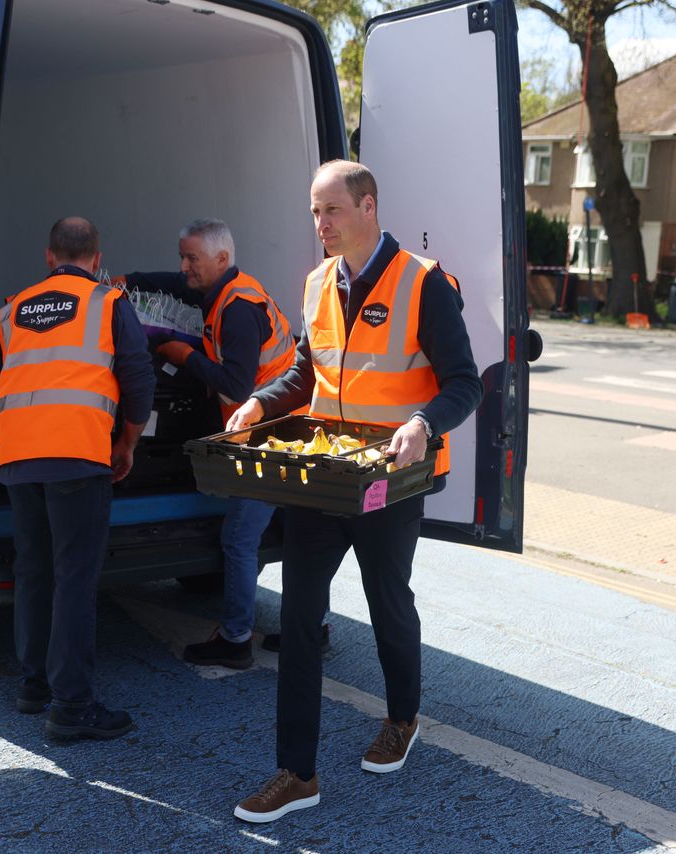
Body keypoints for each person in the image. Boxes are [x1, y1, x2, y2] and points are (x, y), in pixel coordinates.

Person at [226, 160, 483, 822]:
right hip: (324, 474)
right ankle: (296, 773)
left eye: (331, 211)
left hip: (390, 479)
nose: (320, 225)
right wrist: (258, 404)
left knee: (386, 600)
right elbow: (303, 374)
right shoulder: (316, 283)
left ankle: (401, 717)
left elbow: (465, 382)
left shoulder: (422, 283)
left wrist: (424, 424)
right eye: (314, 212)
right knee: (300, 614)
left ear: (368, 206)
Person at [0, 216, 155, 740]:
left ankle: (33, 685)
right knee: (74, 579)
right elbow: (138, 376)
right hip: (78, 456)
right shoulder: (109, 303)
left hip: (19, 458)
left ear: (49, 256)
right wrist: (127, 441)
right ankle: (72, 707)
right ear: (96, 256)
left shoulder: (14, 308)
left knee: (34, 571)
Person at [125, 219, 297, 669]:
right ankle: (307, 629)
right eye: (181, 256)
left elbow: (236, 386)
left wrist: (184, 356)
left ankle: (236, 639)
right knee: (300, 533)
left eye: (191, 259)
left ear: (221, 260)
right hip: (288, 429)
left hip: (267, 437)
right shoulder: (230, 288)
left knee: (239, 538)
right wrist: (131, 282)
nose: (184, 267)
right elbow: (177, 287)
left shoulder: (238, 311)